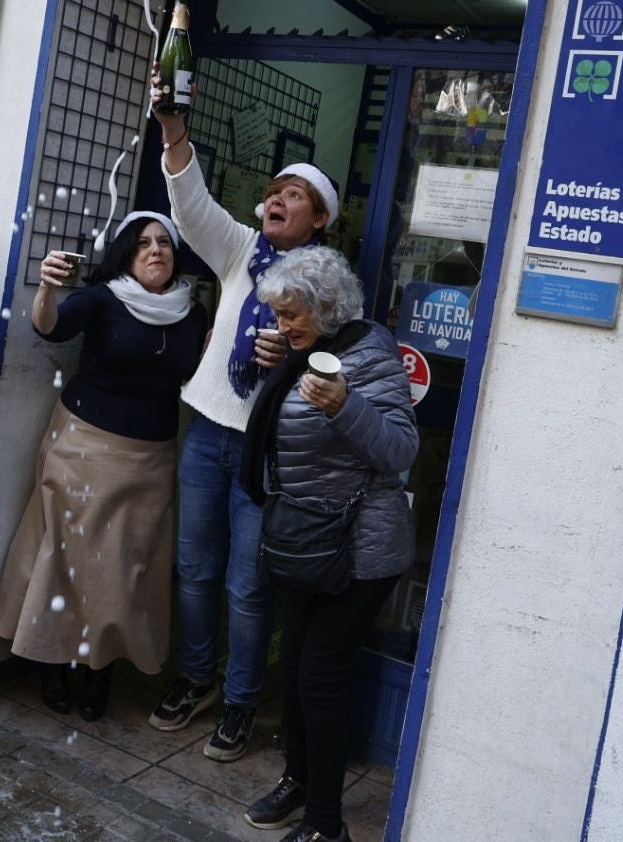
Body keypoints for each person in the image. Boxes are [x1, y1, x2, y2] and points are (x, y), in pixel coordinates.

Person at [149, 74, 341, 762]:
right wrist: (174, 130)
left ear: (318, 218)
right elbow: (189, 202)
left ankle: (239, 700)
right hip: (205, 433)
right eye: (276, 190)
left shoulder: (327, 286)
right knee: (194, 569)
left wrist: (294, 349)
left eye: (296, 195)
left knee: (246, 586)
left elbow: (332, 368)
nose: (277, 199)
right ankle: (197, 679)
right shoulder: (238, 250)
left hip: (269, 454)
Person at [0, 212, 208, 721]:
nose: (156, 250)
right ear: (126, 254)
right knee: (67, 561)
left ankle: (98, 669)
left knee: (124, 571)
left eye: (164, 243)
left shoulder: (193, 314)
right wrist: (46, 288)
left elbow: (194, 377)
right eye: (143, 244)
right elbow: (51, 327)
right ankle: (53, 661)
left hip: (150, 460)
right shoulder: (106, 297)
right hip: (82, 447)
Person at [238, 247, 417, 842]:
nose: (283, 325)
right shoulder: (305, 356)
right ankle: (298, 780)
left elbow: (399, 451)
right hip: (310, 540)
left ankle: (325, 825)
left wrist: (346, 406)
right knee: (293, 664)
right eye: (280, 314)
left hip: (362, 547)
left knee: (319, 676)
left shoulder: (369, 358)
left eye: (293, 314)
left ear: (326, 307)